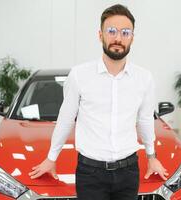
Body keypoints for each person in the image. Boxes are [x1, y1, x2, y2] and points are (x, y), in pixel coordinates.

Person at [29, 4, 168, 200]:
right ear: (100, 35)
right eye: (111, 31)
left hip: (128, 171)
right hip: (90, 173)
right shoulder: (79, 75)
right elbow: (66, 119)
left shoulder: (144, 78)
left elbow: (145, 120)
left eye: (125, 32)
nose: (118, 38)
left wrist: (152, 157)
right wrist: (52, 158)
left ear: (132, 38)